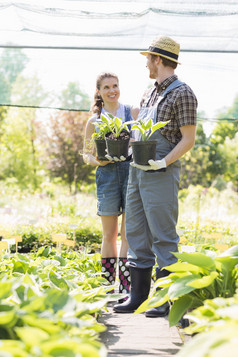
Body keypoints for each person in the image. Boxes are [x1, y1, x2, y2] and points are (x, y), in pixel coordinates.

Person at [113, 36, 197, 316]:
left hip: (160, 172)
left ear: (158, 59)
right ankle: (138, 298)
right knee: (135, 231)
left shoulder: (182, 93)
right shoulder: (150, 92)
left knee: (163, 235)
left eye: (148, 58)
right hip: (137, 171)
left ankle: (163, 300)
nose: (146, 63)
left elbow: (188, 139)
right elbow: (140, 131)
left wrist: (163, 161)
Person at [83, 72, 139, 299]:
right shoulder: (94, 121)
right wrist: (100, 160)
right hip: (106, 175)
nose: (112, 90)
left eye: (115, 86)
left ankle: (125, 288)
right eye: (106, 87)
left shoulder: (131, 113)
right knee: (109, 234)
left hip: (130, 173)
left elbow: (140, 140)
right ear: (99, 91)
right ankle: (107, 287)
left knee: (127, 235)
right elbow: (86, 155)